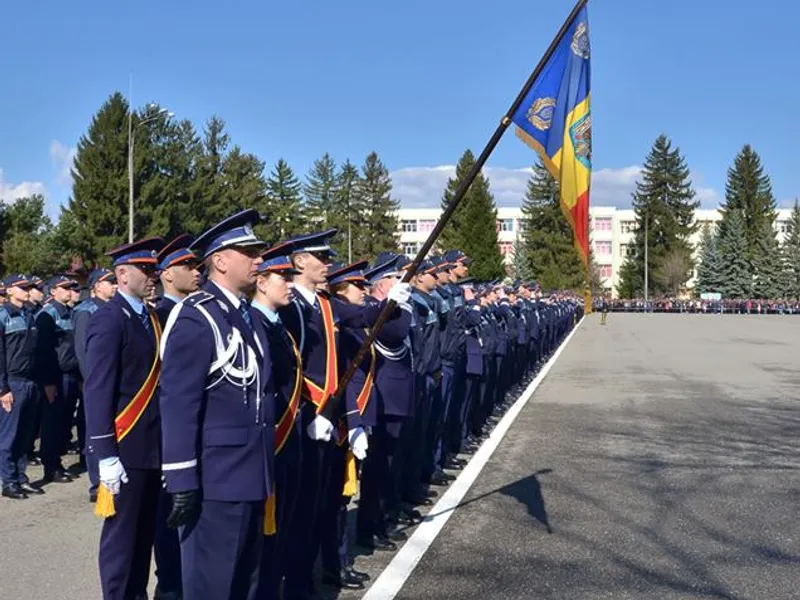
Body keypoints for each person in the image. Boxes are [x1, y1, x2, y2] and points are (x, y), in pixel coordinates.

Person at [159, 209, 273, 600]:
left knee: (245, 585)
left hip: (251, 474)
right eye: (249, 252)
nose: (259, 259)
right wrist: (181, 480)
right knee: (212, 587)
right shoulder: (197, 316)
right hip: (214, 482)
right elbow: (178, 403)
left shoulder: (247, 318)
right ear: (221, 261)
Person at [84, 236, 166, 600]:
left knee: (145, 535)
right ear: (121, 274)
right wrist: (105, 454)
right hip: (125, 445)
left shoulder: (150, 316)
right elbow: (98, 389)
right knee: (121, 540)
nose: (153, 275)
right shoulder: (109, 318)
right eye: (145, 270)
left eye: (154, 269)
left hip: (153, 446)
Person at [250, 241, 304, 600]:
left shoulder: (279, 324)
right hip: (269, 439)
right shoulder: (254, 323)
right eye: (281, 276)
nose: (289, 282)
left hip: (288, 433)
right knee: (262, 539)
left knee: (284, 527)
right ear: (261, 282)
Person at [152, 234, 201, 600]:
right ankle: (170, 587)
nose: (195, 272)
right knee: (169, 521)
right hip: (165, 434)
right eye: (188, 266)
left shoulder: (192, 312)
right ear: (168, 275)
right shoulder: (163, 315)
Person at [73, 268, 117, 502]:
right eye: (109, 282)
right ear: (95, 286)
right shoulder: (86, 311)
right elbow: (83, 352)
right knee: (95, 434)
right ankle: (97, 484)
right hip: (95, 381)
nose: (114, 285)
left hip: (109, 381)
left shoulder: (112, 309)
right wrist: (91, 382)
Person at [35, 275, 81, 484]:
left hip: (71, 375)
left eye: (70, 287)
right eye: (64, 288)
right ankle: (51, 466)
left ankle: (58, 460)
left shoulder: (70, 312)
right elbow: (43, 352)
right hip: (56, 377)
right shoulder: (48, 315)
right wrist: (48, 383)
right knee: (52, 424)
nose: (69, 290)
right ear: (53, 291)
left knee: (64, 423)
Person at [0, 275, 42, 499]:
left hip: (29, 381)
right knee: (9, 436)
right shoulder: (3, 315)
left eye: (29, 287)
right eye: (22, 287)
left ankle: (20, 477)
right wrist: (3, 389)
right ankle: (8, 481)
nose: (28, 290)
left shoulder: (28, 315)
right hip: (12, 382)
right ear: (9, 291)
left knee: (25, 435)